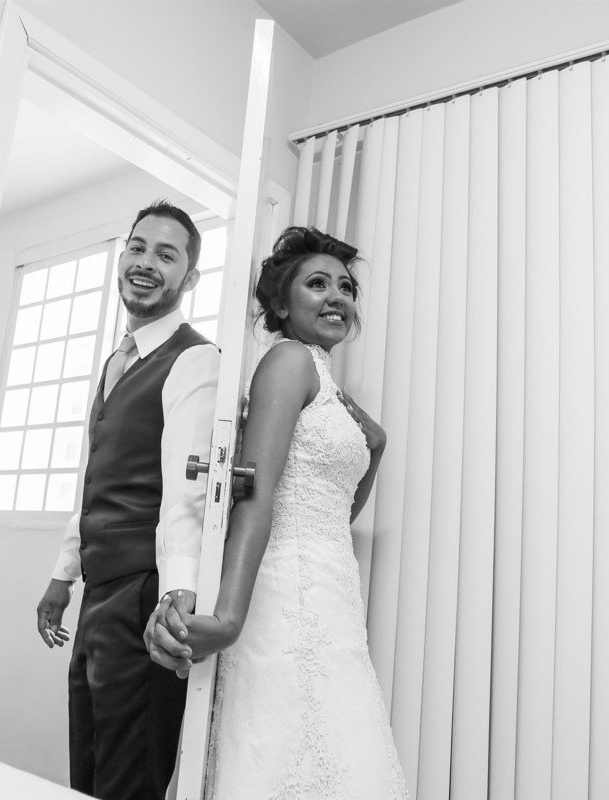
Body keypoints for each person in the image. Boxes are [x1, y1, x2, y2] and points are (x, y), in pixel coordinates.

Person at [146, 227, 408, 797]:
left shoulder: (324, 380)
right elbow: (257, 493)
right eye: (317, 284)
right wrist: (230, 617)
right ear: (282, 305)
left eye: (346, 287)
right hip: (285, 594)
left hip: (331, 595)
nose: (337, 296)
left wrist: (376, 447)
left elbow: (331, 511)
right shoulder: (289, 360)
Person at [34, 200, 219, 800]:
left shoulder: (195, 358)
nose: (145, 263)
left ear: (189, 277)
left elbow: (189, 489)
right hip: (98, 591)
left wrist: (176, 595)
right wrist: (64, 573)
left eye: (166, 255)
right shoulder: (119, 360)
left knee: (129, 776)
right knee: (87, 765)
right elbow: (99, 476)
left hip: (144, 592)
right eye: (137, 248)